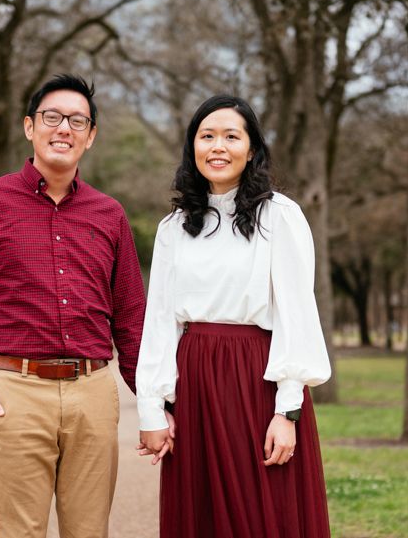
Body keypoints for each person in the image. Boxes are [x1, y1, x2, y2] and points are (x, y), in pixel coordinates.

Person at [0, 74, 145, 538]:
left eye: (77, 121)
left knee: (89, 532)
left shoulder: (109, 213)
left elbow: (131, 317)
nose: (63, 129)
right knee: (18, 533)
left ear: (90, 137)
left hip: (93, 391)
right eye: (52, 117)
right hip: (15, 392)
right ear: (29, 127)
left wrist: (152, 401)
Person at [135, 94, 332, 538]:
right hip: (196, 382)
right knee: (201, 516)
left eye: (231, 136)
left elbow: (296, 315)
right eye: (207, 136)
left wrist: (288, 411)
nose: (218, 146)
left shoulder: (280, 216)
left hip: (255, 379)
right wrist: (154, 407)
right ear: (193, 148)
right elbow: (162, 319)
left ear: (251, 148)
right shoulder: (174, 227)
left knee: (263, 514)